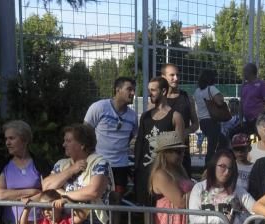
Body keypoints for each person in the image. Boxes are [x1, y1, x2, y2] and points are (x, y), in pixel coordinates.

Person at [84, 76, 138, 199]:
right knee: (96, 198)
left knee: (116, 201)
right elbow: (85, 133)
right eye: (129, 89)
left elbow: (131, 137)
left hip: (121, 166)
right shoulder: (99, 107)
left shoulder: (132, 116)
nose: (133, 93)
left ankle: (115, 219)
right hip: (99, 163)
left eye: (134, 90)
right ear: (117, 89)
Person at [134, 76, 185, 204]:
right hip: (144, 172)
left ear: (163, 91)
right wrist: (136, 169)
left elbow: (179, 149)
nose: (150, 93)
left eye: (153, 90)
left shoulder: (175, 116)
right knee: (145, 212)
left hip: (164, 174)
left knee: (163, 210)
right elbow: (139, 144)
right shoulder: (145, 116)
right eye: (149, 90)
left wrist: (177, 175)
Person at [161, 64, 198, 164]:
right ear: (163, 77)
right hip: (162, 153)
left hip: (182, 153)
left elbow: (195, 124)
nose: (176, 78)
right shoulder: (157, 100)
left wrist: (185, 132)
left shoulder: (187, 98)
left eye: (177, 75)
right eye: (172, 75)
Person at [195, 69, 227, 167]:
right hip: (212, 120)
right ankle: (209, 169)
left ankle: (215, 164)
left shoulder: (197, 91)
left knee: (221, 141)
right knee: (213, 147)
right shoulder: (212, 89)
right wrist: (221, 95)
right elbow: (220, 102)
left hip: (203, 122)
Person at [239, 63, 265, 138]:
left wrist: (259, 116)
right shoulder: (244, 86)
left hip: (260, 120)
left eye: (244, 71)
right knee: (234, 134)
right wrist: (240, 119)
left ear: (250, 72)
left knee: (263, 140)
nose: (242, 73)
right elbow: (241, 103)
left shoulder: (262, 84)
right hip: (247, 121)